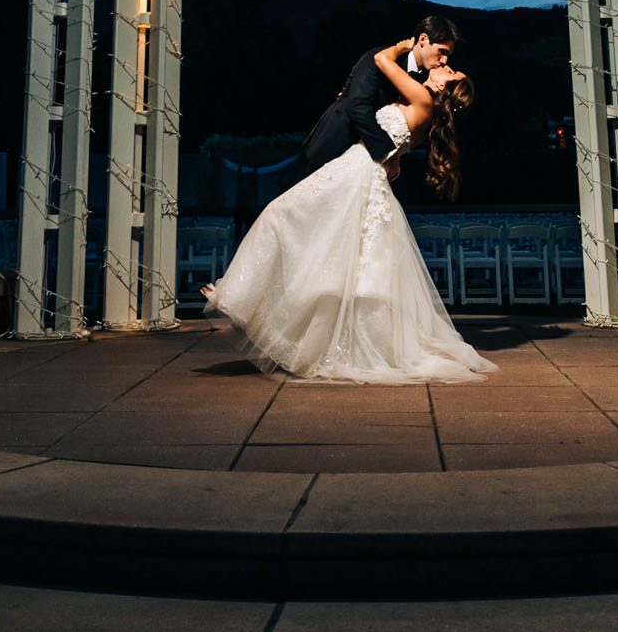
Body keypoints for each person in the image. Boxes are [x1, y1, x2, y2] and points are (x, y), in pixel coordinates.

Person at [202, 35, 492, 383]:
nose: (446, 65)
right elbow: (394, 139)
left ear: (445, 89)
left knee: (282, 216)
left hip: (357, 172)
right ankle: (277, 320)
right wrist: (393, 156)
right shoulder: (423, 106)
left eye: (451, 71)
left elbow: (381, 61)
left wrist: (404, 46)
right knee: (334, 257)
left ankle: (241, 300)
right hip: (362, 171)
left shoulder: (421, 97)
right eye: (446, 61)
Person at [293, 15, 458, 179]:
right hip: (334, 140)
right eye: (442, 51)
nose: (444, 60)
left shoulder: (422, 85)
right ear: (423, 40)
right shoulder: (382, 55)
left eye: (448, 55)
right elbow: (356, 105)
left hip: (364, 165)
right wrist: (387, 152)